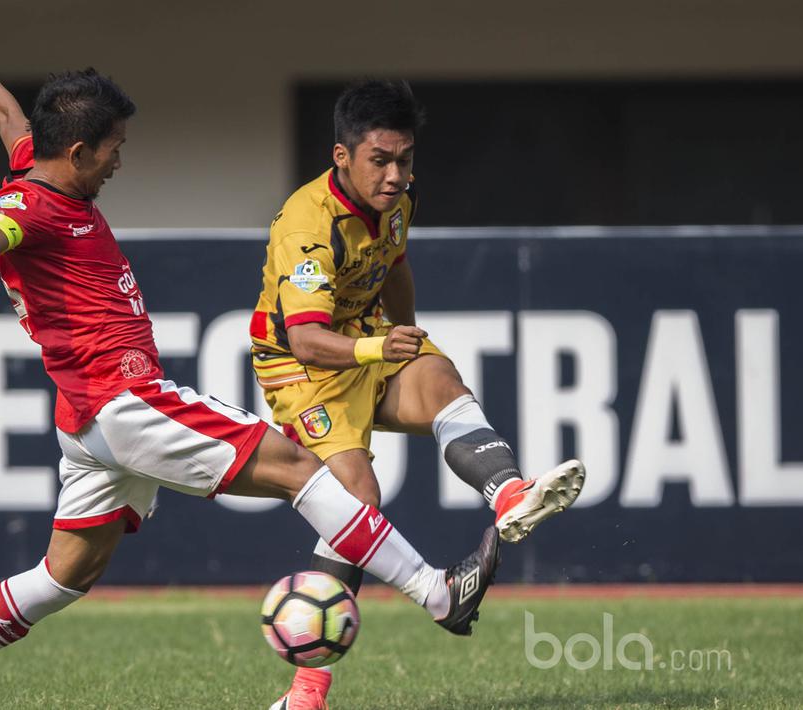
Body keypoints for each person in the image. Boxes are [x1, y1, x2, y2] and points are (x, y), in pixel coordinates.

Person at [0, 14, 499, 710]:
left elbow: (9, 116)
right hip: (125, 399)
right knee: (303, 471)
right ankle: (439, 595)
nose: (119, 161)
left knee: (62, 575)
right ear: (76, 153)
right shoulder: (32, 207)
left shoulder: (37, 165)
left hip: (86, 424)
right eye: (112, 149)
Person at [249, 81, 586, 708]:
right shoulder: (306, 225)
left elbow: (395, 263)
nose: (397, 174)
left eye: (406, 159)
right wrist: (381, 348)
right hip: (304, 368)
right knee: (357, 501)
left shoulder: (398, 200)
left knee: (439, 379)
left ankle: (508, 494)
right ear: (342, 156)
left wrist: (406, 334)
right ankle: (306, 693)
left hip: (365, 339)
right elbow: (305, 341)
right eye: (381, 159)